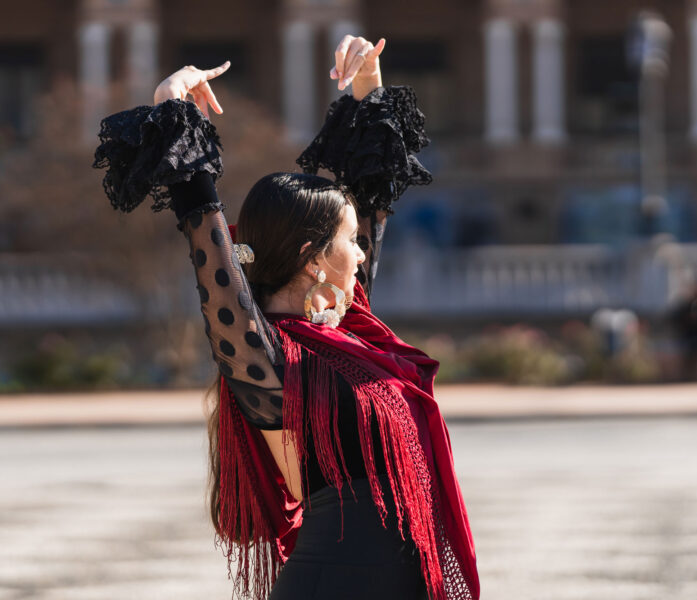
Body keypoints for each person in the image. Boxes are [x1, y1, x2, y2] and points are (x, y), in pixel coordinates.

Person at [93, 35, 479, 600]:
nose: (365, 252)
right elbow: (212, 253)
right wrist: (171, 108)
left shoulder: (347, 334)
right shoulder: (267, 358)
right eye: (352, 242)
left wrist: (368, 83)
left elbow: (371, 194)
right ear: (313, 258)